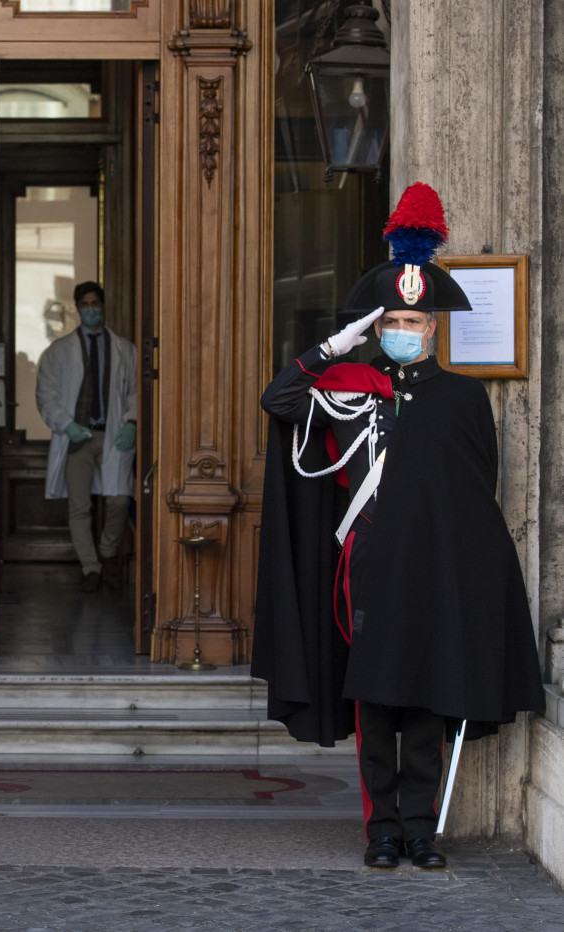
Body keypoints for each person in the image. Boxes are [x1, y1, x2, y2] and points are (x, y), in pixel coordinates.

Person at [254, 183, 544, 871]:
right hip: (370, 566)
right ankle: (381, 828)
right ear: (379, 325)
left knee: (428, 699)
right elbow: (280, 399)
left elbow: (479, 489)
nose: (403, 332)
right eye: (393, 321)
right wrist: (336, 346)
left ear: (434, 330)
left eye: (415, 322)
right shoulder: (352, 388)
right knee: (376, 702)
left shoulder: (465, 398)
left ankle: (421, 830)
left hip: (436, 564)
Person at [35, 281, 137, 592]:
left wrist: (132, 422)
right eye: (85, 304)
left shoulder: (124, 348)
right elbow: (46, 395)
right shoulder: (59, 351)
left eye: (96, 303)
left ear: (103, 306)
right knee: (79, 507)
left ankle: (107, 554)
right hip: (77, 436)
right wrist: (67, 425)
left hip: (112, 434)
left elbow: (135, 391)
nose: (91, 309)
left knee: (119, 500)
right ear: (77, 308)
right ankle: (90, 568)